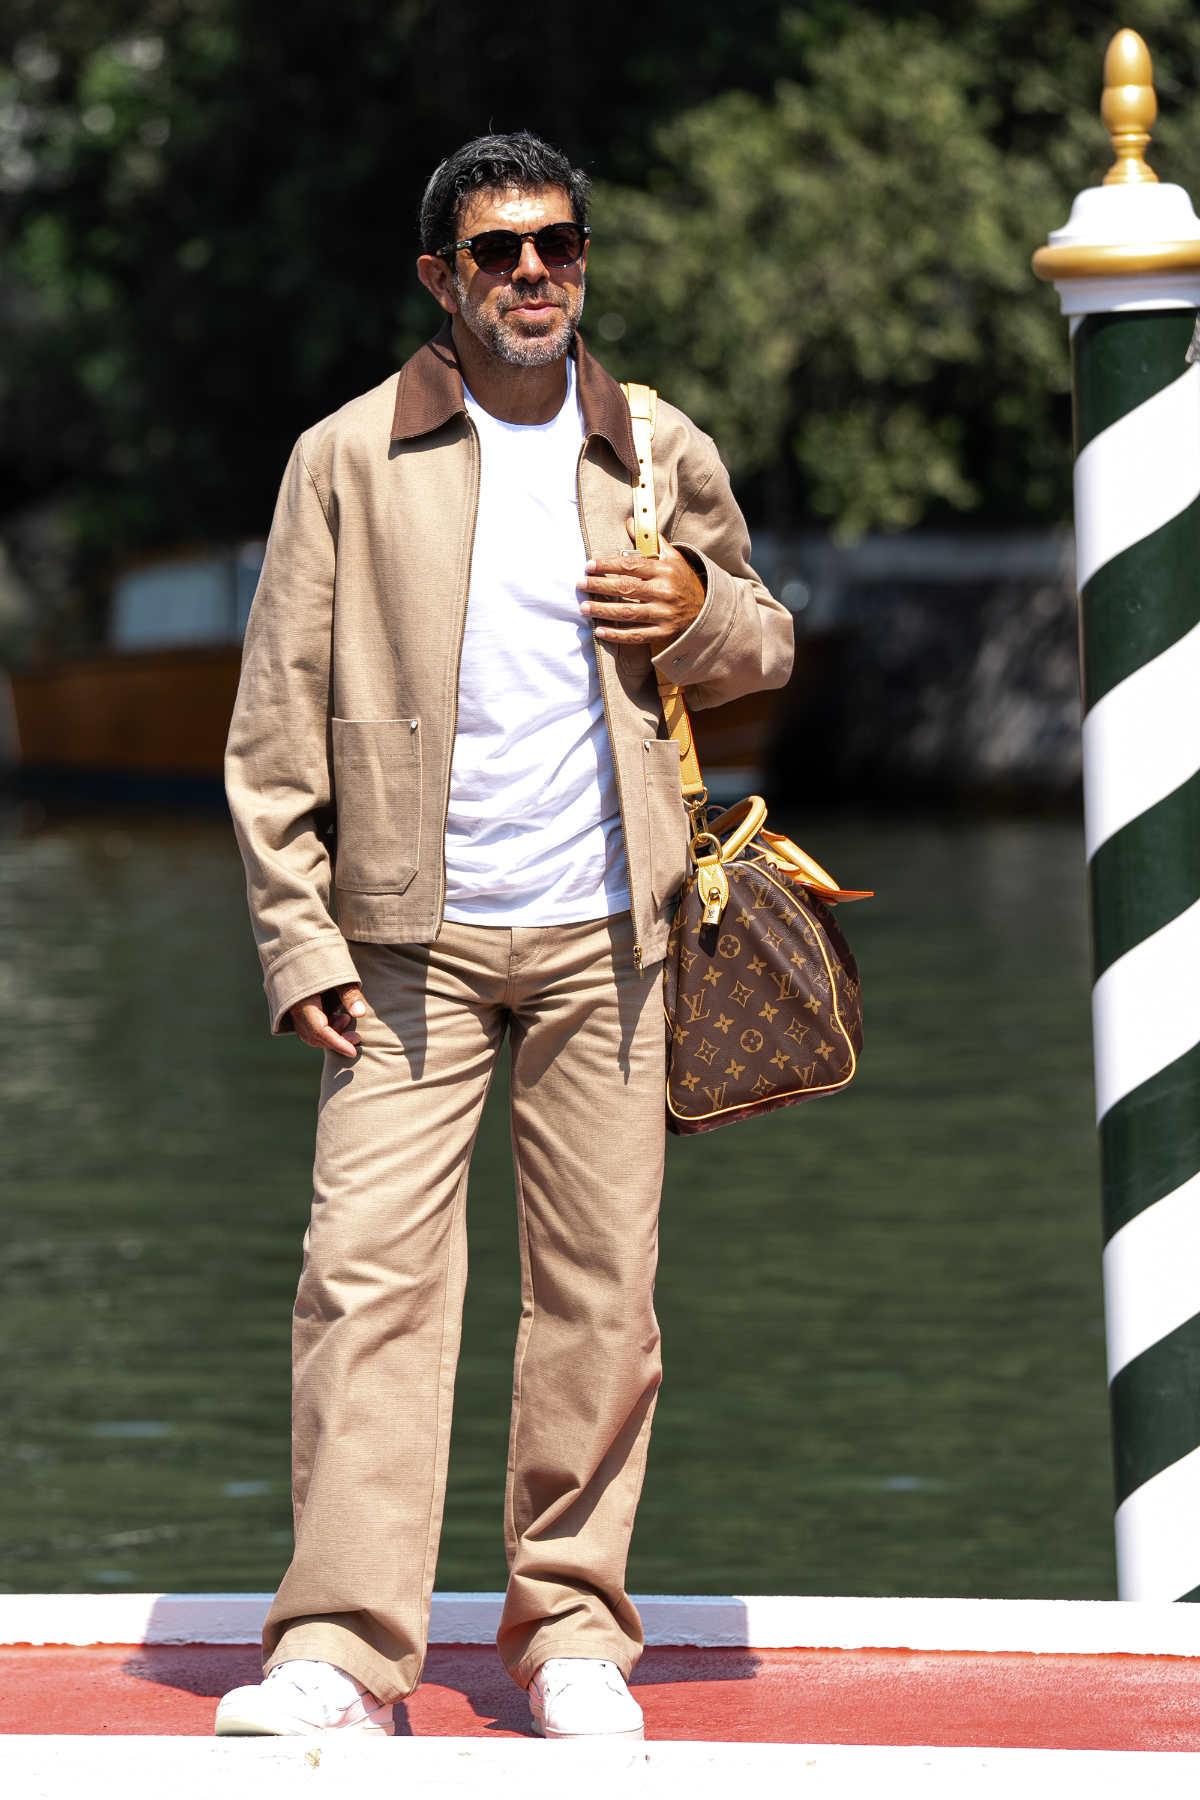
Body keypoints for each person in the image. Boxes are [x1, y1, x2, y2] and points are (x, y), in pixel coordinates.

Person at [217, 131, 793, 1742]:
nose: (531, 273)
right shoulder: (345, 457)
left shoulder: (656, 446)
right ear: (440, 280)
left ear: (584, 262)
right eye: (496, 253)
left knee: (602, 1295)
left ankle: (573, 1632)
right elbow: (273, 734)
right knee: (364, 1282)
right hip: (406, 943)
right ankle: (338, 1642)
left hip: (617, 934)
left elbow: (767, 639)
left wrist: (695, 611)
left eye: (556, 245)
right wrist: (298, 939)